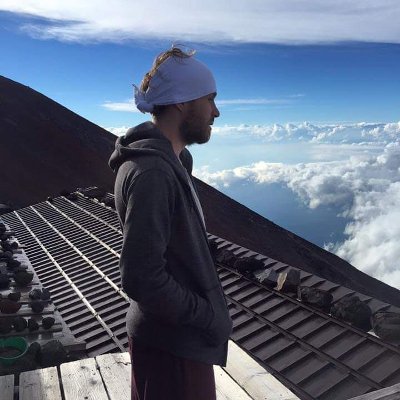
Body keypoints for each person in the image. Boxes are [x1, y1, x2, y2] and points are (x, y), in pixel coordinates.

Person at [109, 46, 233, 400]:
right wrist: (209, 317)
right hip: (172, 348)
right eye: (209, 99)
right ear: (182, 102)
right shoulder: (152, 173)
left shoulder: (171, 161)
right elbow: (141, 277)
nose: (216, 111)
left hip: (173, 341)